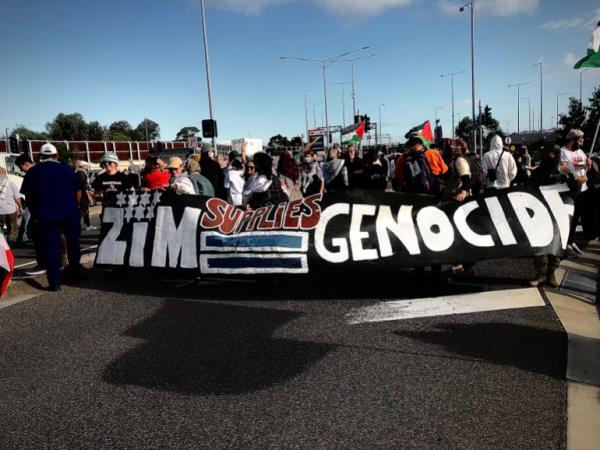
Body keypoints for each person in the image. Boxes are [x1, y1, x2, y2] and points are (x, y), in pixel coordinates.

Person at [19, 143, 81, 291]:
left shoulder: (33, 172)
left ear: (40, 156)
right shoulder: (67, 169)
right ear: (56, 156)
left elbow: (28, 197)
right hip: (68, 213)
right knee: (73, 245)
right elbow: (78, 191)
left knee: (51, 249)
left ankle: (54, 283)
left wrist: (35, 213)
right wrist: (76, 206)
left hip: (45, 215)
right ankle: (75, 275)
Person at [529, 145, 568, 287]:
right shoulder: (538, 172)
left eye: (549, 154)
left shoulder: (564, 172)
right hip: (540, 213)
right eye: (544, 153)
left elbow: (572, 191)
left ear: (556, 155)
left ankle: (551, 274)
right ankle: (541, 274)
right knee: (540, 244)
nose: (546, 156)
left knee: (556, 245)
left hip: (559, 213)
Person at [560, 129, 591, 257]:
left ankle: (571, 241)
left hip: (582, 189)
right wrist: (572, 175)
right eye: (580, 139)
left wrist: (588, 165)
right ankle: (565, 244)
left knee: (576, 217)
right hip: (570, 191)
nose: (582, 141)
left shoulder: (580, 152)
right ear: (572, 140)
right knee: (569, 219)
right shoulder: (563, 152)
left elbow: (584, 170)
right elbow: (563, 167)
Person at [15, 154, 45, 275]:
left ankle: (42, 264)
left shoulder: (30, 174)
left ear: (26, 164)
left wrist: (33, 214)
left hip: (38, 212)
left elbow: (27, 196)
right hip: (51, 209)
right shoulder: (44, 170)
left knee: (37, 238)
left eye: (21, 167)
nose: (21, 170)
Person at [0, 167, 23, 244]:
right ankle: (11, 241)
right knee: (13, 226)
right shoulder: (11, 183)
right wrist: (20, 207)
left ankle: (1, 242)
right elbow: (17, 198)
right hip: (10, 210)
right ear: (5, 174)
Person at [74, 160, 94, 231]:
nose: (88, 167)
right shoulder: (81, 172)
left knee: (86, 210)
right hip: (82, 195)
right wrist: (89, 196)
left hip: (81, 193)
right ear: (83, 166)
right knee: (83, 210)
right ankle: (74, 224)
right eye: (87, 165)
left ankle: (88, 225)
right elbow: (83, 185)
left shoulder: (80, 172)